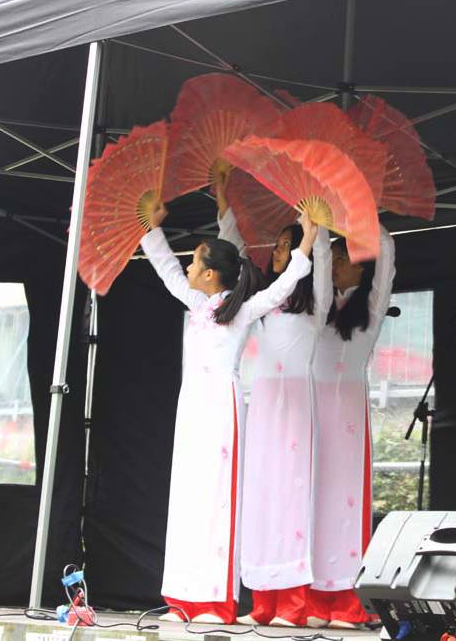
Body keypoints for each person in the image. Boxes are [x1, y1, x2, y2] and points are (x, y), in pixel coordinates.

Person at [141, 202, 318, 624]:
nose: (187, 267)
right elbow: (166, 269)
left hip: (223, 408)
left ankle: (217, 604)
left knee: (218, 500)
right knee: (189, 498)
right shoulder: (195, 302)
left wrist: (308, 241)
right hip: (192, 406)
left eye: (194, 261)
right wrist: (151, 229)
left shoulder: (241, 310)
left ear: (210, 274)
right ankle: (184, 598)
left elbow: (281, 289)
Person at [217, 198, 333, 627]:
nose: (279, 251)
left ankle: (294, 605)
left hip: (297, 410)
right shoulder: (263, 303)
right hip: (263, 407)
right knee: (262, 500)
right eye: (280, 245)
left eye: (287, 244)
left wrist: (315, 231)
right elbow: (232, 260)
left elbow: (321, 264)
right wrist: (225, 207)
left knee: (292, 502)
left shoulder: (317, 303)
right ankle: (263, 602)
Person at [307, 225, 395, 629]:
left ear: (361, 266)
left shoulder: (371, 309)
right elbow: (319, 261)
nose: (335, 265)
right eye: (334, 258)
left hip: (348, 421)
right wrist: (321, 228)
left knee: (345, 505)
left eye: (343, 259)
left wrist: (367, 222)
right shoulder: (318, 307)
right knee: (311, 504)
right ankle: (311, 601)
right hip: (313, 415)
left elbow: (386, 260)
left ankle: (345, 604)